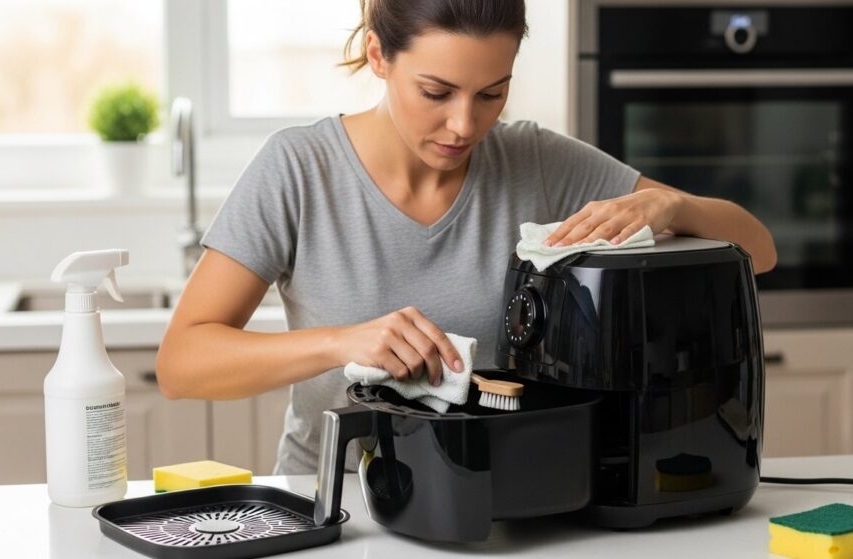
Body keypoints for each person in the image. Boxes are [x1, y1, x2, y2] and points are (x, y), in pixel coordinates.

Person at [155, 0, 777, 475]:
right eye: (436, 92)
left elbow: (761, 250)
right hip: (339, 508)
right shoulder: (298, 168)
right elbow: (182, 365)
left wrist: (671, 205)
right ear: (378, 55)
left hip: (506, 502)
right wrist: (344, 342)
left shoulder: (536, 161)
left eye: (491, 93)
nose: (464, 125)